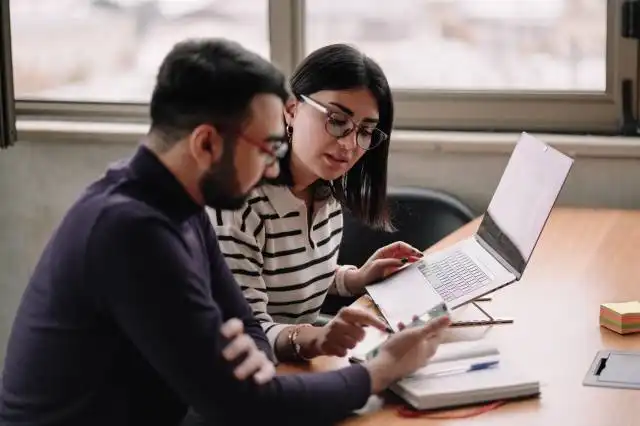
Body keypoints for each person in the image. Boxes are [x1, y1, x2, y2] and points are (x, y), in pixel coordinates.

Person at [0, 38, 450, 426]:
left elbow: (248, 329)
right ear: (207, 144)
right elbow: (243, 402)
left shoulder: (181, 204)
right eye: (268, 147)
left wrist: (250, 364)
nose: (275, 165)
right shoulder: (131, 231)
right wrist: (381, 370)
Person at [211, 43, 422, 361]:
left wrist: (355, 279)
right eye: (337, 120)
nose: (350, 145)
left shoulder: (324, 191)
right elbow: (245, 332)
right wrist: (312, 338)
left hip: (293, 366)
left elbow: (293, 277)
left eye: (365, 130)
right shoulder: (239, 205)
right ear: (292, 109)